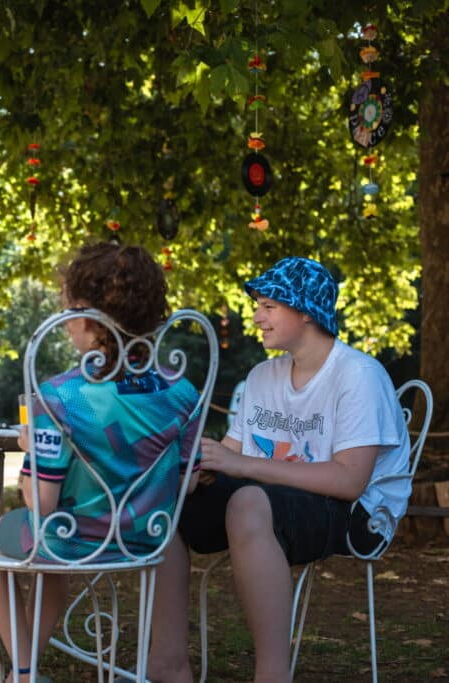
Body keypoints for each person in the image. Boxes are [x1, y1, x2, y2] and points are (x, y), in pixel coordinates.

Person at [148, 256, 410, 683]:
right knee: (168, 503)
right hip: (276, 501)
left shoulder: (358, 375)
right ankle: (167, 665)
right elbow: (232, 455)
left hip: (359, 514)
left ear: (305, 311)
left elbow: (350, 480)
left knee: (249, 501)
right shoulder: (261, 377)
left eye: (269, 305)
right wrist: (193, 467)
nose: (257, 316)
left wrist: (242, 464)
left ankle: (273, 675)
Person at [0, 242, 202, 683]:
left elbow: (40, 501)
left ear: (87, 316)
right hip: (147, 539)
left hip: (73, 539)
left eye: (70, 308)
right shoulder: (182, 391)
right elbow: (185, 483)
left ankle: (22, 672)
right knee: (46, 549)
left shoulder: (61, 396)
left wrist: (32, 450)